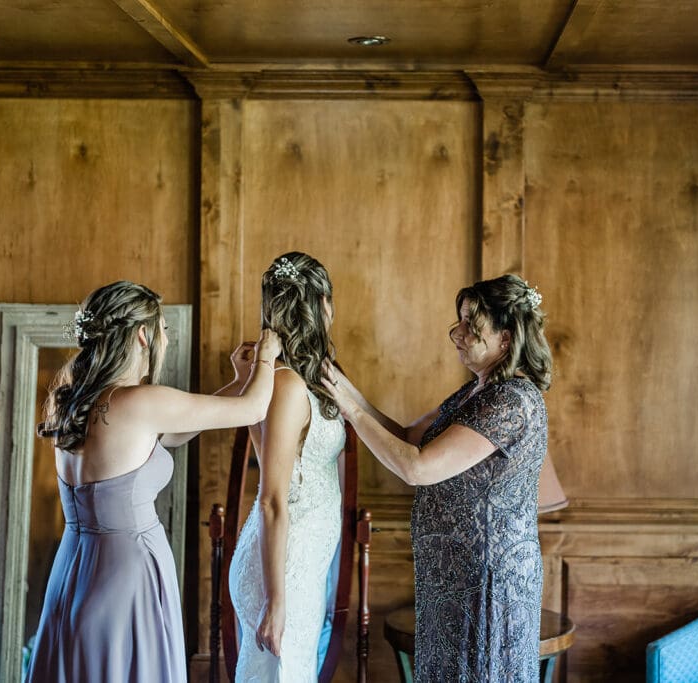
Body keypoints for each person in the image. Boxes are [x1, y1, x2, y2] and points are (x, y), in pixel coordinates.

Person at [27, 280, 280, 682]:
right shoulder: (139, 401)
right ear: (143, 335)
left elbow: (178, 429)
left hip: (73, 569)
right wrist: (267, 357)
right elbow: (253, 410)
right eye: (163, 328)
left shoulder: (72, 401)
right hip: (126, 575)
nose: (165, 338)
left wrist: (239, 380)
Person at [322, 273, 552, 682]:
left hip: (487, 584)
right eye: (459, 322)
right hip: (453, 579)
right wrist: (342, 387)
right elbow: (406, 436)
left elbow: (418, 467)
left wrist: (350, 410)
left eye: (471, 325)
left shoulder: (511, 401)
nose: (457, 334)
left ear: (505, 337)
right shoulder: (473, 392)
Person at [230, 253, 346, 682]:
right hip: (283, 569)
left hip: (302, 563)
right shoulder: (287, 385)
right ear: (323, 304)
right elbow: (272, 498)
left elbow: (275, 464)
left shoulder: (305, 380)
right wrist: (276, 600)